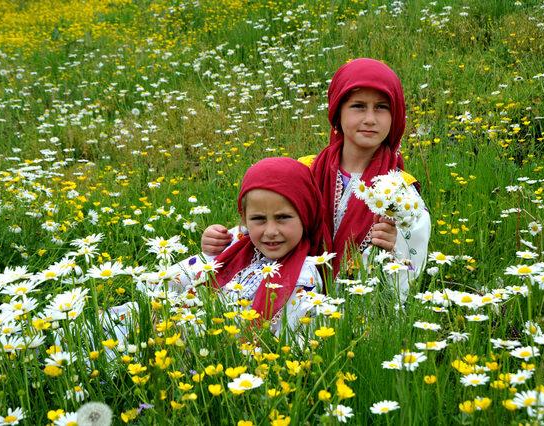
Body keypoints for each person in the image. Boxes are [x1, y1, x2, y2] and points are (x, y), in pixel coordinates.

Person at [202, 59, 430, 294]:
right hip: (297, 287)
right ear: (337, 112)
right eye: (358, 106)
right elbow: (267, 219)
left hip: (359, 301)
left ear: (396, 115)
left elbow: (412, 262)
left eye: (382, 107)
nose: (370, 119)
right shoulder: (307, 170)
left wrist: (394, 245)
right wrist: (221, 240)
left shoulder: (400, 191)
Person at [173, 157, 329, 335]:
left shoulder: (304, 277)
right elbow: (179, 278)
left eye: (283, 217)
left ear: (306, 214)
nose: (270, 231)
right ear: (245, 219)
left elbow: (288, 342)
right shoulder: (239, 242)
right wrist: (210, 243)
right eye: (258, 219)